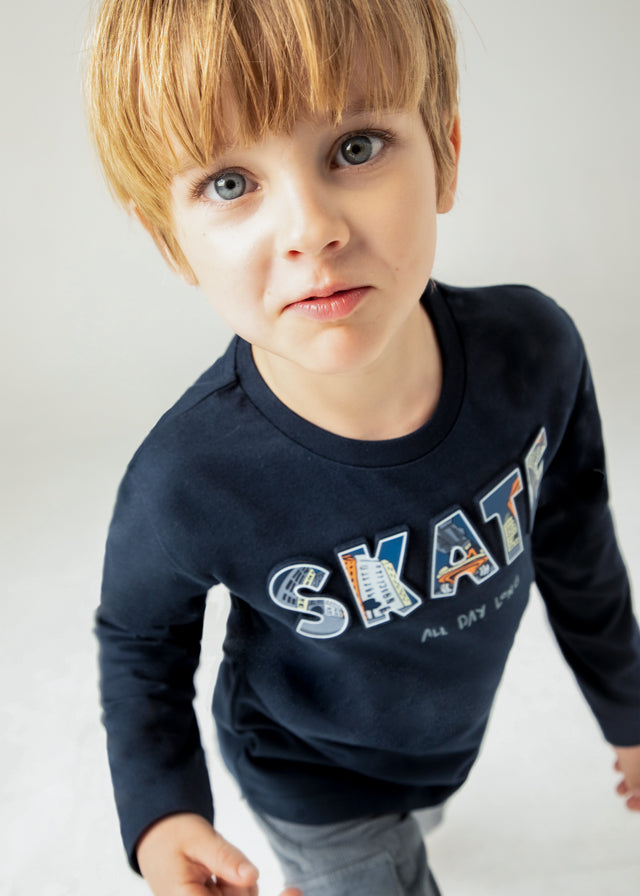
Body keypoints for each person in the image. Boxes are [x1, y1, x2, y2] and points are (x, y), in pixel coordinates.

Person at [86, 1, 640, 894]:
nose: (312, 230)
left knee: (416, 824)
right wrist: (162, 809)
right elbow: (139, 642)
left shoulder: (535, 354)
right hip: (309, 774)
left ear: (445, 154)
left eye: (355, 147)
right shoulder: (188, 479)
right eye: (229, 183)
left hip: (442, 744)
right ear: (170, 240)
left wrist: (629, 708)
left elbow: (576, 540)